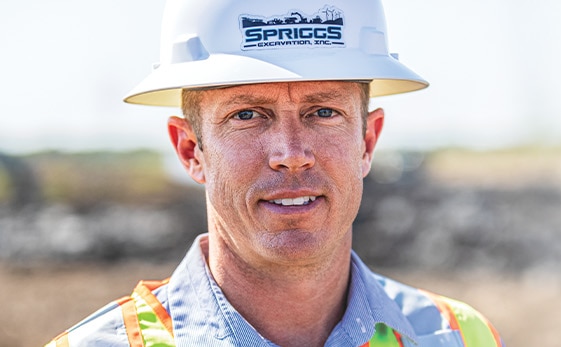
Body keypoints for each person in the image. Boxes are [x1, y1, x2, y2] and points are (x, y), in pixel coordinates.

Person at [46, 0, 503, 346]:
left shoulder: (458, 336)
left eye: (323, 111)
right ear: (191, 149)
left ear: (367, 142)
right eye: (247, 115)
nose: (291, 154)